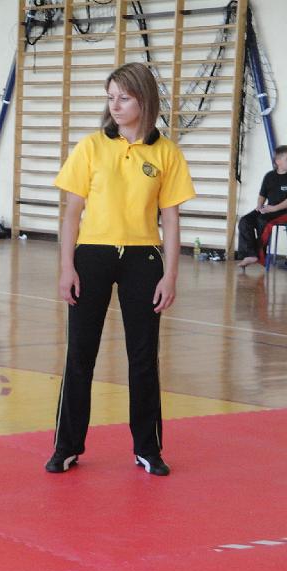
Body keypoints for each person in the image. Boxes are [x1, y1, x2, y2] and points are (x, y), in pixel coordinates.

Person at [47, 62, 195, 477]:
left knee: (143, 358)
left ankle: (148, 448)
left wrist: (170, 275)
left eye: (124, 98)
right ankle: (67, 446)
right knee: (80, 354)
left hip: (143, 259)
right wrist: (66, 267)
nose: (115, 105)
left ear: (144, 100)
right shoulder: (91, 147)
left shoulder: (166, 153)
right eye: (110, 97)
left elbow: (171, 220)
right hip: (92, 256)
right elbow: (71, 214)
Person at [236, 145, 287, 269]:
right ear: (278, 161)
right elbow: (262, 195)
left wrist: (273, 208)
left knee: (262, 221)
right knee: (245, 221)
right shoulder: (269, 176)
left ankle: (260, 256)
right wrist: (259, 206)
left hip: (283, 211)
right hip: (270, 209)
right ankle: (250, 254)